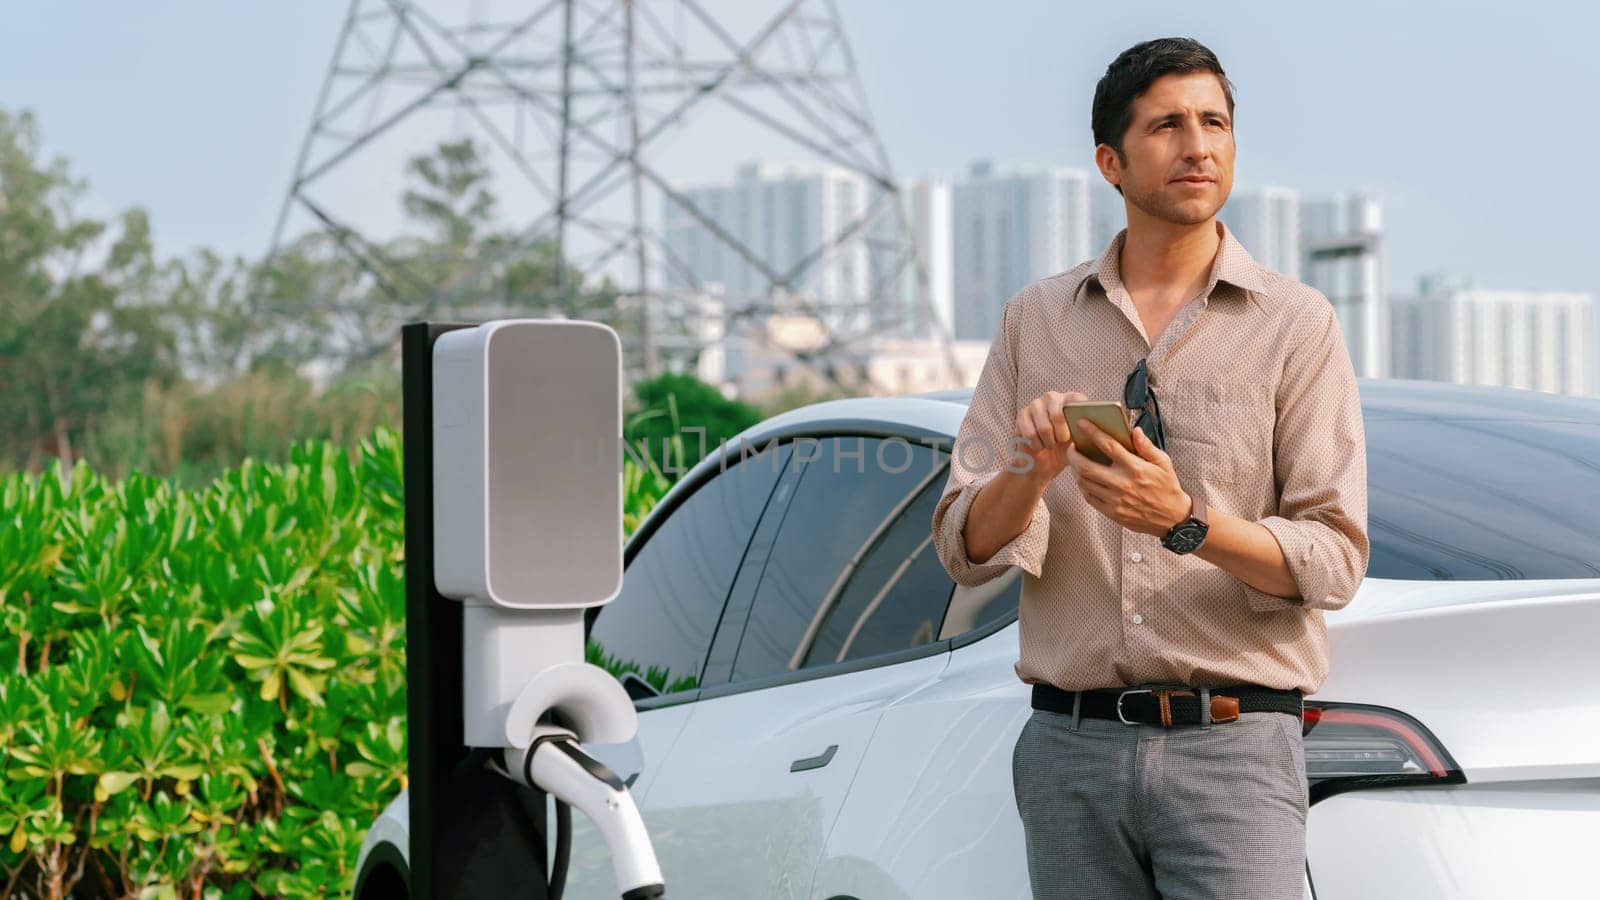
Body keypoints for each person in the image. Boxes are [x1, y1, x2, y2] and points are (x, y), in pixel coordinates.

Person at [931, 36, 1369, 899]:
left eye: (1215, 122)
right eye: (1167, 125)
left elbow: (1334, 557)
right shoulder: (1036, 321)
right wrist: (1026, 470)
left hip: (1234, 752)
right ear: (1110, 161)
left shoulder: (1297, 325)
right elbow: (960, 543)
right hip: (1070, 753)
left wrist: (1186, 523)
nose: (1198, 145)